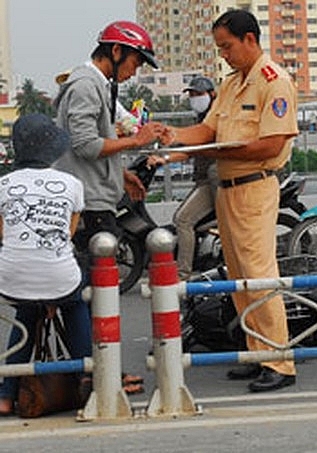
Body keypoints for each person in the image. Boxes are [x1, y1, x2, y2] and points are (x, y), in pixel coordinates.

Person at [160, 10, 297, 392]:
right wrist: (172, 135)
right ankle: (257, 354)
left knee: (260, 276)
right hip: (226, 188)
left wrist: (216, 149)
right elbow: (208, 130)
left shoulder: (274, 81)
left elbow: (272, 144)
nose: (223, 54)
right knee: (239, 278)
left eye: (227, 46)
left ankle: (279, 361)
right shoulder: (232, 83)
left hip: (255, 187)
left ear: (250, 39)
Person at [53, 20, 164, 394]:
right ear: (116, 52)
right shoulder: (86, 85)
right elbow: (85, 145)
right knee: (90, 297)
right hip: (88, 208)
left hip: (95, 199)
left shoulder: (94, 84)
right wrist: (137, 141)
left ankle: (100, 371)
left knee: (91, 296)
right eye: (135, 61)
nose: (136, 71)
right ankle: (98, 375)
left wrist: (121, 174)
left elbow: (90, 147)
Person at [0, 113, 93, 415]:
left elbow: (3, 234)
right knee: (76, 303)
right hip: (60, 277)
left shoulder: (3, 184)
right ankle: (87, 374)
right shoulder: (72, 184)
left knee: (26, 311)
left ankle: (6, 393)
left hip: (12, 278)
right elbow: (68, 234)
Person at [159, 76, 219, 279]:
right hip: (203, 179)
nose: (195, 98)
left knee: (183, 220)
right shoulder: (202, 119)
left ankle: (182, 274)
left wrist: (166, 158)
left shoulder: (214, 118)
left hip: (213, 181)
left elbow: (192, 150)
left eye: (199, 94)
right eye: (192, 95)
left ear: (212, 94)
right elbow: (189, 146)